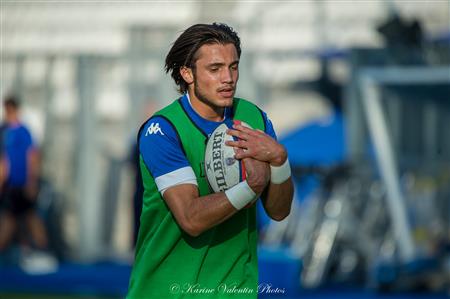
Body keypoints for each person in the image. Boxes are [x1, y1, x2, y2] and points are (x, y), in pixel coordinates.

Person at [127, 23, 294, 298]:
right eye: (214, 69)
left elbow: (279, 211)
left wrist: (280, 159)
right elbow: (191, 218)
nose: (228, 78)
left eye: (233, 66)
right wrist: (250, 188)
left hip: (235, 290)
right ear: (187, 73)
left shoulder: (254, 118)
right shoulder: (162, 130)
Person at [0, 95, 48, 254]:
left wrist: (31, 181)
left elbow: (32, 156)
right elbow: (3, 161)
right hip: (10, 184)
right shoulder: (3, 130)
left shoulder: (23, 131)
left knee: (30, 217)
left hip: (23, 182)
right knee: (11, 218)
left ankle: (43, 249)